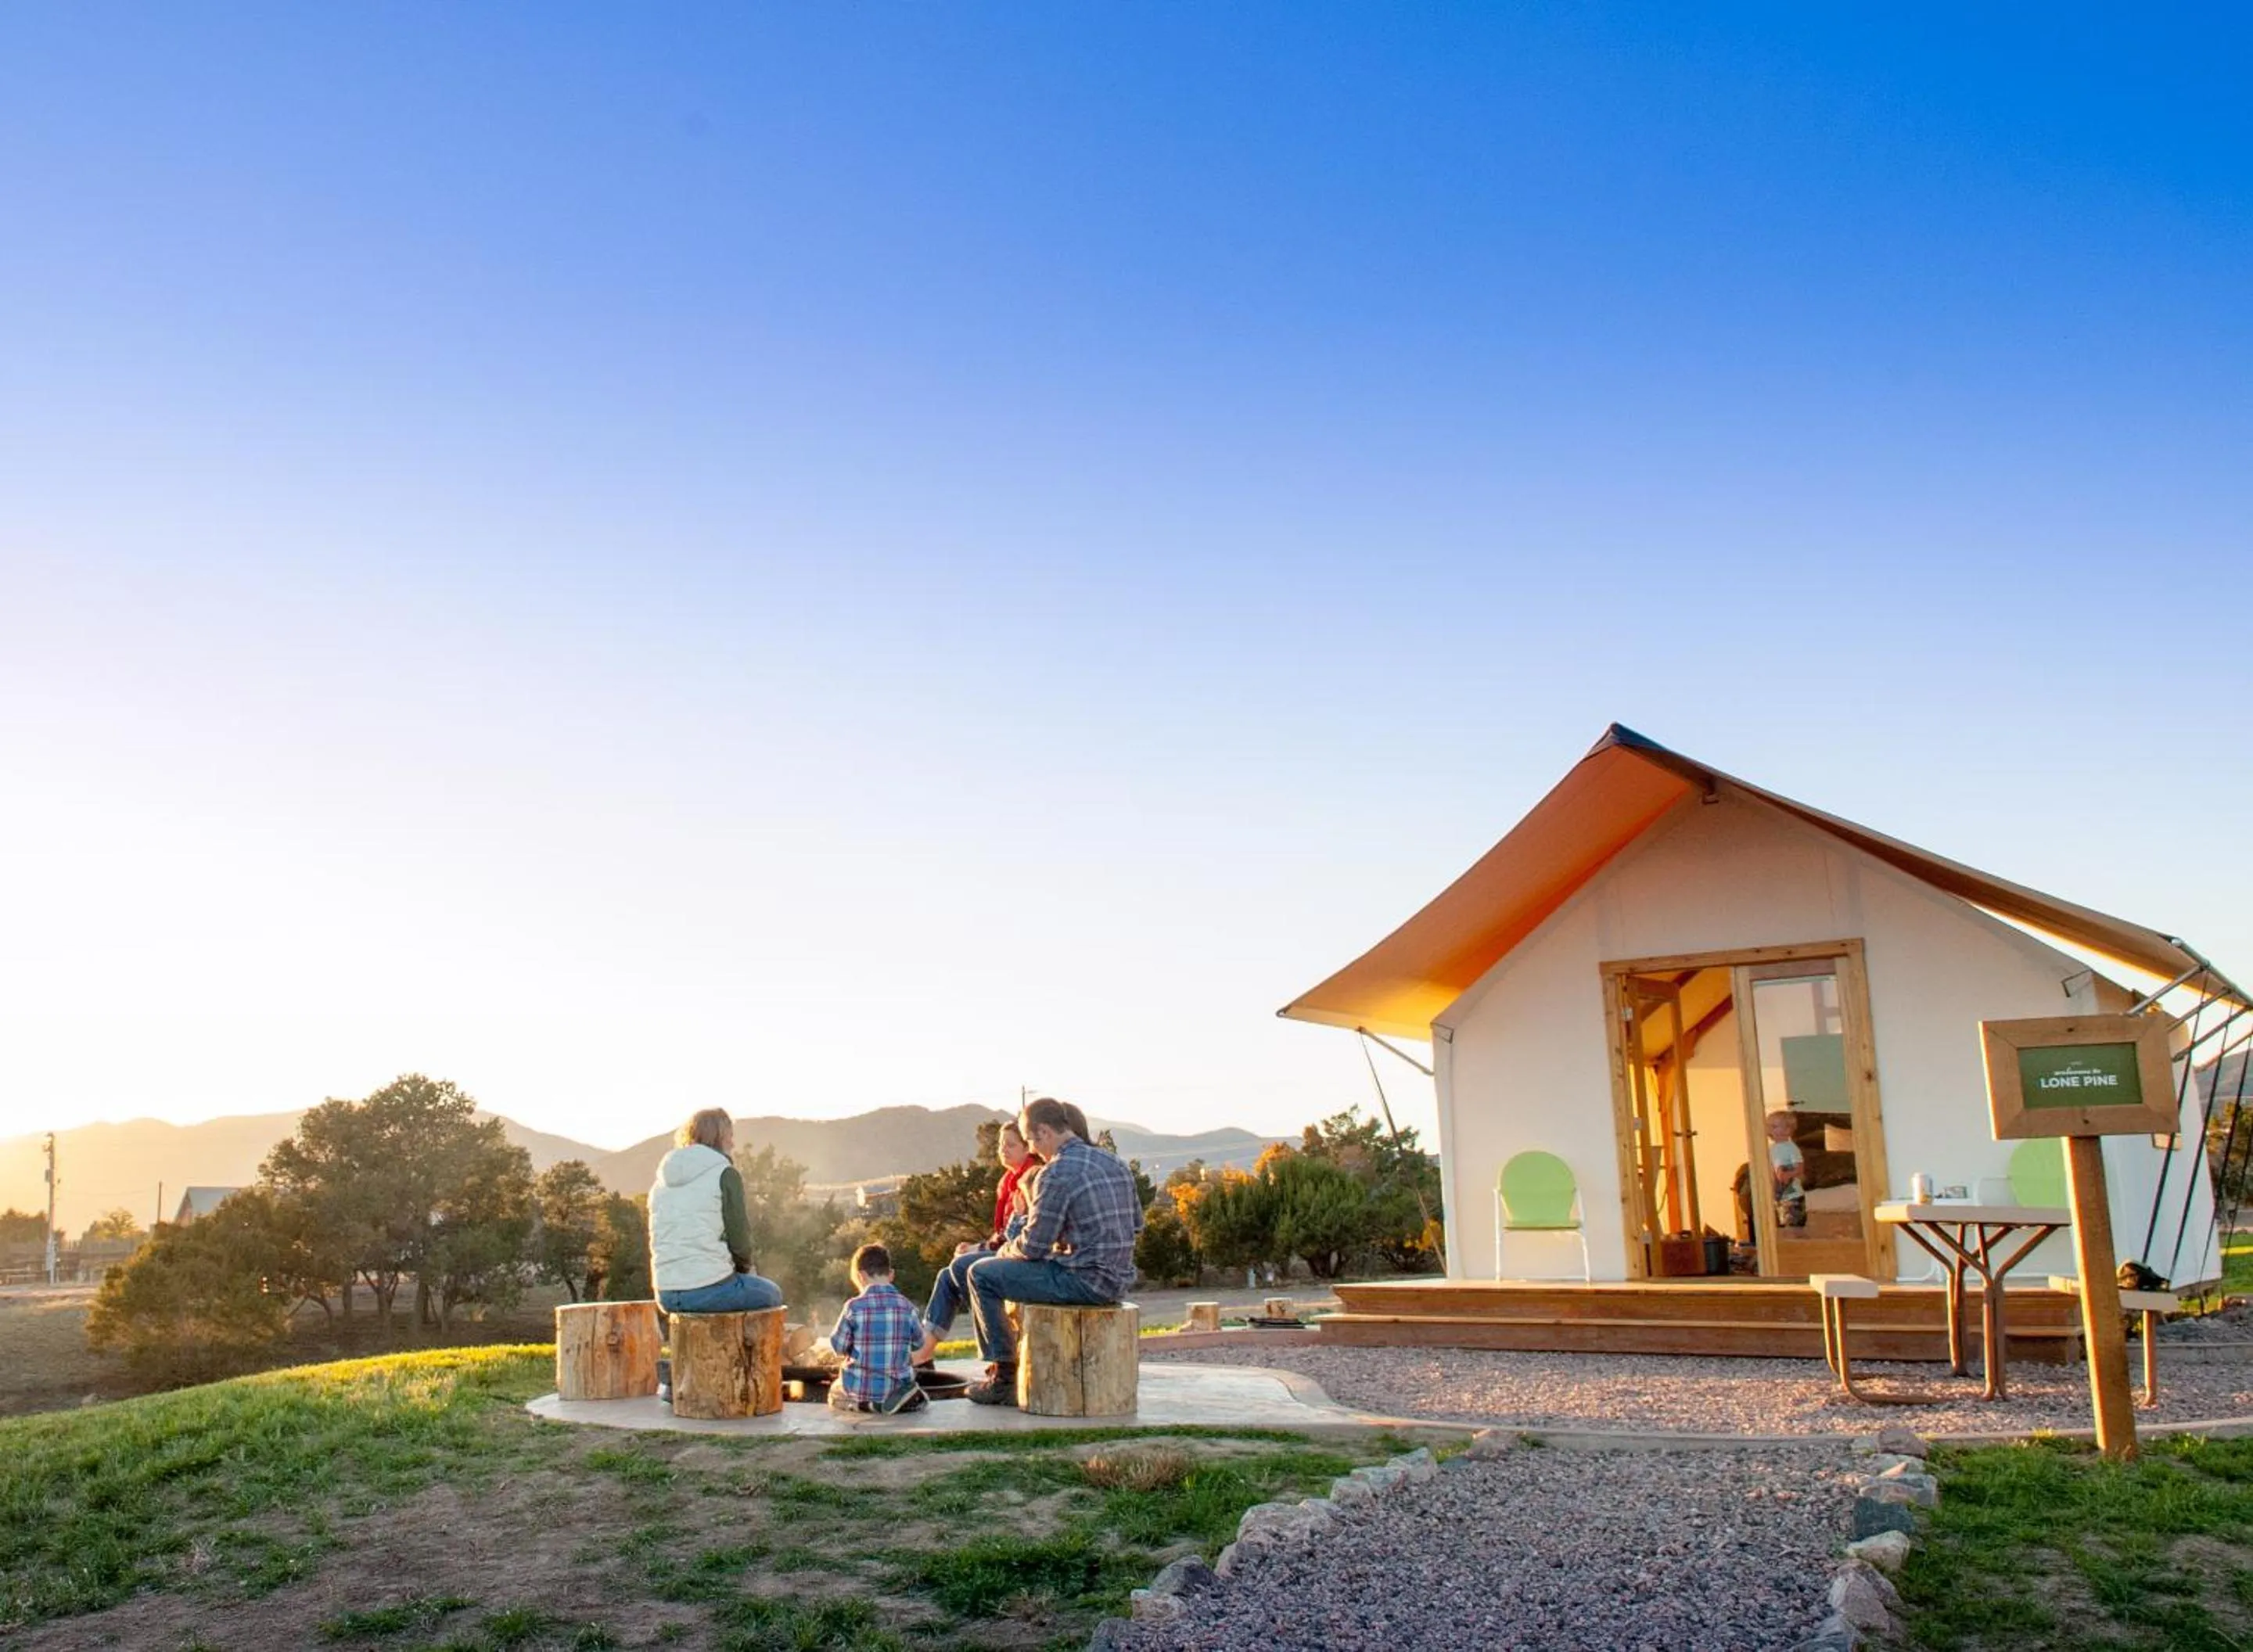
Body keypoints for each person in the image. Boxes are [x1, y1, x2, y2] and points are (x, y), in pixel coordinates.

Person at [965, 1097, 1142, 1406]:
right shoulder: (1115, 1163)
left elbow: (1033, 1246)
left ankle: (1004, 1377)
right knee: (987, 1269)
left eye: (1031, 1140)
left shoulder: (1057, 1172)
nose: (1033, 1150)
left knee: (981, 1274)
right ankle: (1004, 1372)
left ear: (1045, 1132)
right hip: (1118, 1278)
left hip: (1082, 1281)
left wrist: (1004, 1252)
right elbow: (1137, 1224)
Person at [648, 1108, 786, 1315]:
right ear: (719, 1136)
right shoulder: (724, 1173)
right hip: (707, 1289)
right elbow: (740, 1240)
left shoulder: (660, 1183)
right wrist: (746, 1270)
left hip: (665, 1294)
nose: (733, 1143)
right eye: (730, 1136)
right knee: (771, 1293)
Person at [925, 1162, 1042, 1341]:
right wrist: (978, 1247)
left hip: (1023, 1261)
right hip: (1010, 1253)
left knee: (965, 1267)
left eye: (1010, 1144)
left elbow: (1017, 1242)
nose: (1003, 1150)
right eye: (1002, 1144)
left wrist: (1019, 1215)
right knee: (947, 1275)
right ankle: (924, 1348)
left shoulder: (1034, 1180)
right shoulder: (1010, 1183)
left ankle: (999, 1339)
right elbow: (1004, 1237)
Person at [828, 1243, 936, 1413]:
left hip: (860, 1387)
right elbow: (919, 1343)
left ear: (861, 1276)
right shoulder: (907, 1306)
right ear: (891, 1275)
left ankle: (867, 1405)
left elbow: (838, 1347)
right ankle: (902, 1397)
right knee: (902, 1372)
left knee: (834, 1393)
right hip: (897, 1387)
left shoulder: (853, 1307)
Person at [1766, 1110, 1806, 1230]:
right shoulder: (1773, 1148)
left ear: (1788, 1130)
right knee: (1782, 1225)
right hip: (1780, 1196)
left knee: (1793, 1226)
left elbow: (1800, 1168)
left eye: (1775, 1126)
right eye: (1770, 1126)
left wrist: (1788, 1174)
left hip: (1793, 1196)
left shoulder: (1791, 1148)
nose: (1770, 1129)